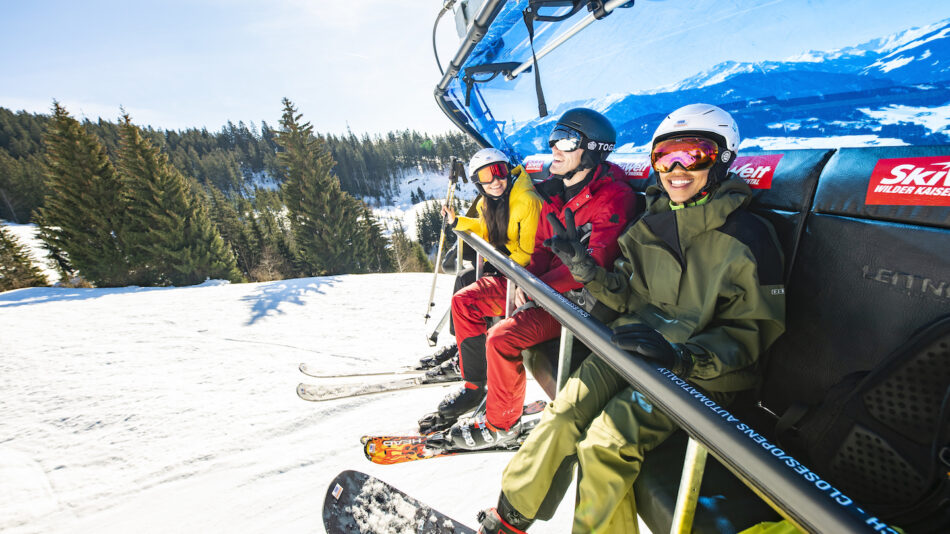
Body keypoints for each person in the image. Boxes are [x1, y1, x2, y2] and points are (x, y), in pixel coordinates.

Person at [475, 103, 787, 534]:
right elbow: (627, 294)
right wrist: (584, 268)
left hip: (698, 374)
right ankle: (511, 517)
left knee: (605, 443)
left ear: (724, 159)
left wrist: (682, 358)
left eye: (693, 155)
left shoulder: (747, 238)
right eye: (664, 157)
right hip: (634, 343)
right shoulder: (651, 221)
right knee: (564, 413)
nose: (676, 169)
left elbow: (752, 333)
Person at [429, 108, 639, 439]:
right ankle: (475, 385)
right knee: (465, 301)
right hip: (541, 286)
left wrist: (535, 287)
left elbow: (591, 270)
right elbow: (541, 247)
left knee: (502, 338)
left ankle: (502, 425)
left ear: (592, 151)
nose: (555, 147)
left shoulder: (613, 200)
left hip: (578, 302)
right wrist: (520, 279)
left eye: (567, 141)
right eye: (554, 138)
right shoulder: (556, 192)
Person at [416, 148, 544, 419]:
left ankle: (475, 384)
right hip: (505, 269)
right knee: (463, 283)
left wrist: (498, 262)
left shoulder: (526, 201)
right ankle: (467, 354)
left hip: (522, 277)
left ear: (507, 170)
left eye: (499, 172)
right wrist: (458, 221)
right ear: (478, 183)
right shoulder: (489, 201)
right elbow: (486, 228)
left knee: (465, 301)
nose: (495, 180)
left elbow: (531, 252)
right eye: (486, 177)